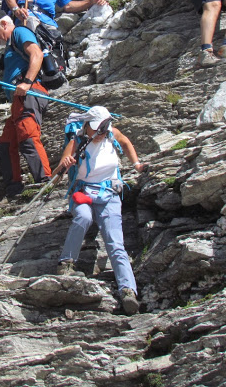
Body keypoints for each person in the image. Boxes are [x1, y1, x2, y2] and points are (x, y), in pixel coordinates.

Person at [53, 106, 146, 316]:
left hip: (109, 193)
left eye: (103, 129)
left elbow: (126, 142)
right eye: (96, 129)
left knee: (115, 241)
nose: (100, 133)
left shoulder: (112, 134)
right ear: (87, 125)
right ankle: (66, 263)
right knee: (83, 217)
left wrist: (137, 164)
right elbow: (57, 174)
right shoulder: (76, 141)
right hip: (84, 192)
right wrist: (65, 164)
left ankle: (128, 290)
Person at [0, 10, 52, 197]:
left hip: (30, 91)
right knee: (5, 145)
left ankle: (44, 181)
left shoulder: (19, 32)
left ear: (4, 24)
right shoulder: (10, 45)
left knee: (27, 134)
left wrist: (27, 82)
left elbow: (36, 54)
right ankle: (13, 189)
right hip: (18, 100)